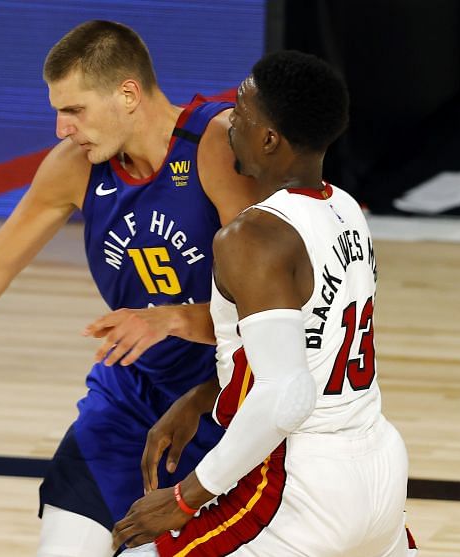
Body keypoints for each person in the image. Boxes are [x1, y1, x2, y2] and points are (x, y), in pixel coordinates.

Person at [0, 20, 259, 557]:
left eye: (74, 110)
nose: (62, 128)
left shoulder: (217, 148)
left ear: (127, 94)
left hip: (227, 399)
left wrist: (170, 318)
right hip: (132, 397)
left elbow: (270, 308)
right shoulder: (74, 168)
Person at [112, 50, 417, 556]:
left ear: (269, 139)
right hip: (379, 472)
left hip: (303, 482)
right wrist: (205, 395)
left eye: (241, 112)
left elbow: (286, 393)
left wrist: (185, 498)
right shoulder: (345, 209)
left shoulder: (252, 236)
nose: (230, 121)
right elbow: (311, 350)